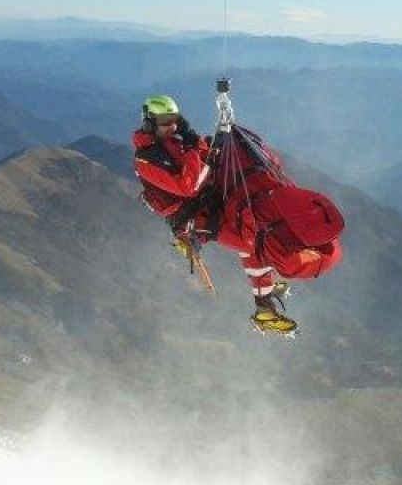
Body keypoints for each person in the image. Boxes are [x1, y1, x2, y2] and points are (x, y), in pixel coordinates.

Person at [133, 95, 340, 335]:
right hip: (194, 218)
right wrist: (193, 147)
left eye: (175, 120)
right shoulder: (145, 160)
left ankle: (264, 297)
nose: (173, 126)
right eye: (165, 121)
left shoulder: (170, 142)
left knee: (253, 235)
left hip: (208, 205)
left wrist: (197, 145)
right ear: (149, 122)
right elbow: (188, 185)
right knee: (252, 242)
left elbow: (202, 163)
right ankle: (264, 307)